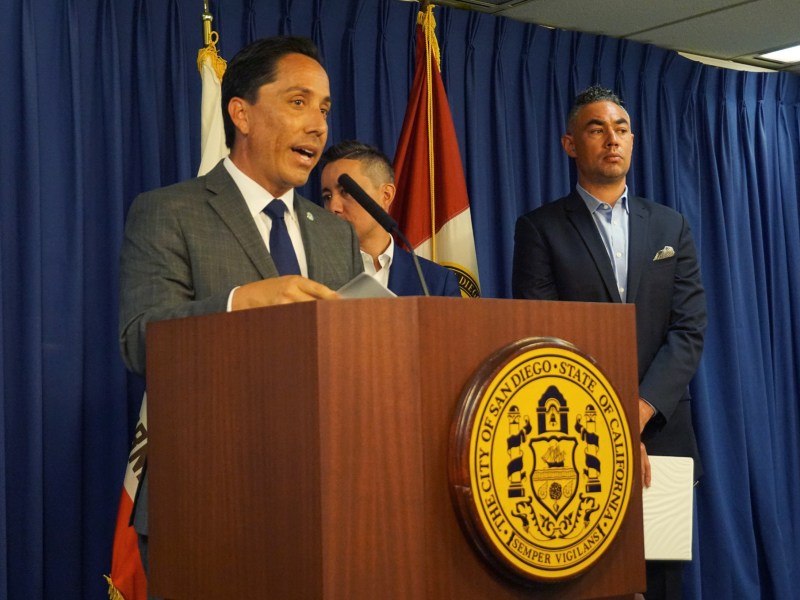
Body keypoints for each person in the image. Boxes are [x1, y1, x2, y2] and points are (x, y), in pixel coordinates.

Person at [118, 36, 362, 588]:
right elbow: (139, 340)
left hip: (324, 503)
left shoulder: (336, 236)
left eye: (324, 108)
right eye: (298, 102)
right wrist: (239, 303)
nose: (319, 125)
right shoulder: (169, 212)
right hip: (208, 501)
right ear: (241, 113)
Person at [511, 85, 707, 600]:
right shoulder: (539, 229)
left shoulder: (671, 225)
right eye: (596, 129)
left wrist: (636, 413)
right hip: (574, 441)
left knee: (661, 580)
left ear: (633, 140)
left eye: (620, 129)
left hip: (661, 436)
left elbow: (689, 331)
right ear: (570, 144)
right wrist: (605, 421)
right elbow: (543, 337)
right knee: (590, 584)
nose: (611, 139)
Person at [319, 140, 461, 297]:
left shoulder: (435, 280)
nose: (333, 207)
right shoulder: (314, 275)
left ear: (386, 196)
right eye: (327, 196)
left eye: (346, 192)